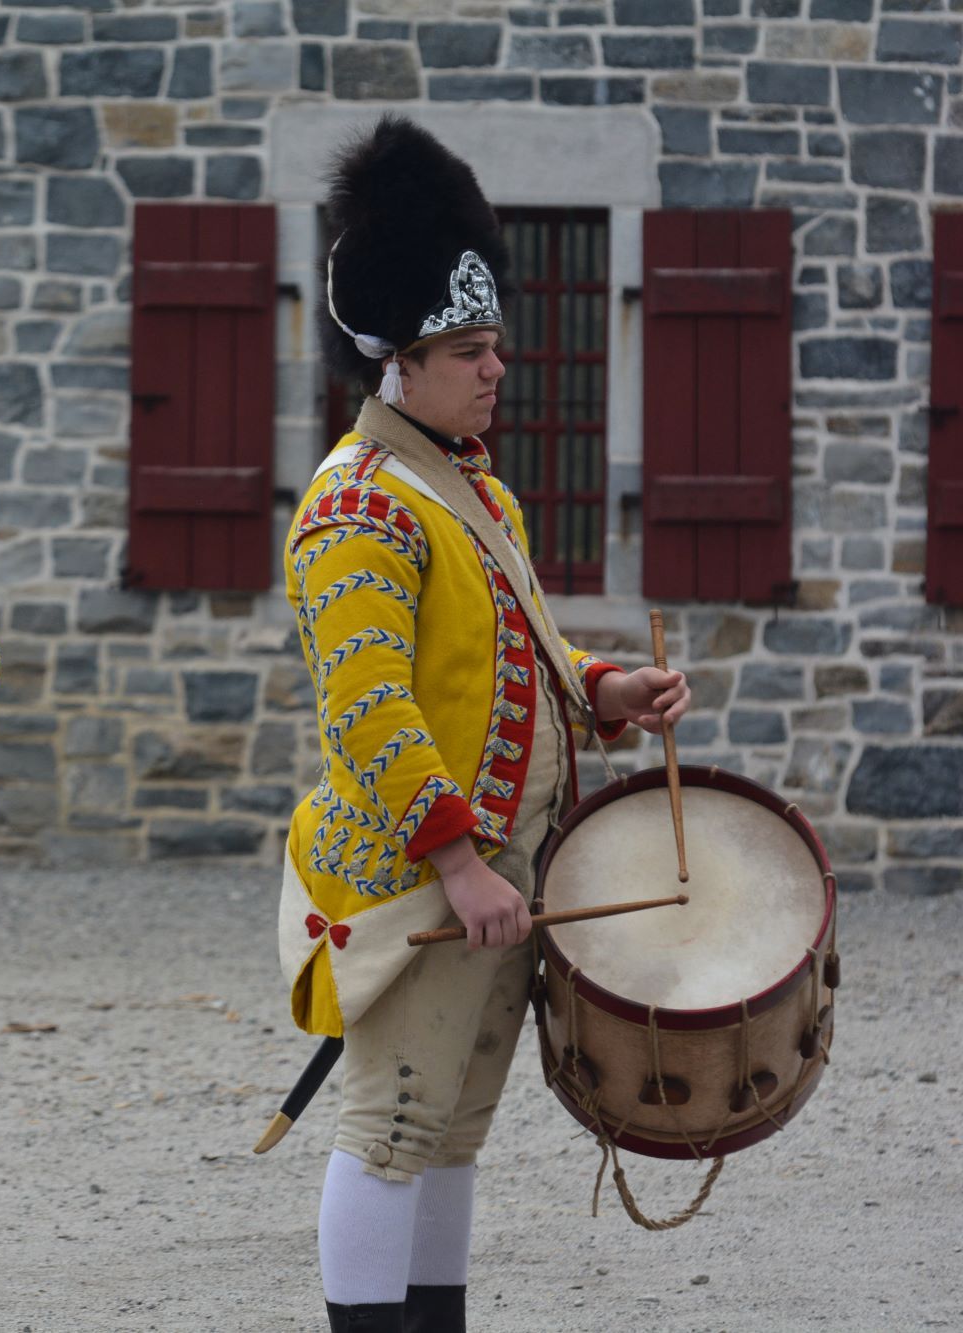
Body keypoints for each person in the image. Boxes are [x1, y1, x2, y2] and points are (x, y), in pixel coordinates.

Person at [280, 116, 692, 1333]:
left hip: (499, 872)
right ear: (393, 362)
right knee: (392, 1125)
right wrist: (457, 859)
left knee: (452, 1131)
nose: (494, 366)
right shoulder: (356, 500)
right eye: (466, 348)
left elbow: (509, 646)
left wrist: (601, 687)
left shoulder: (473, 488)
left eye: (492, 344)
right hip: (420, 876)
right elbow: (369, 708)